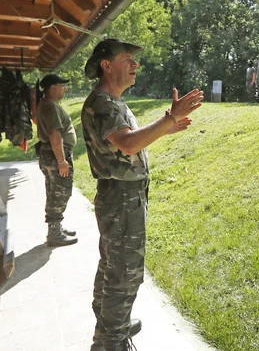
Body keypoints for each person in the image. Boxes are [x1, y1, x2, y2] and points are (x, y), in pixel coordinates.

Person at [81, 38, 203, 351]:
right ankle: (112, 341)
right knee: (125, 272)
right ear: (107, 66)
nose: (135, 65)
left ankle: (111, 324)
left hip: (123, 197)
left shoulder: (112, 101)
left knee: (113, 265)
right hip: (120, 198)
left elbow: (129, 142)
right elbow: (129, 144)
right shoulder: (102, 103)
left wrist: (166, 127)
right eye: (127, 59)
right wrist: (168, 118)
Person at [35, 74, 78, 247]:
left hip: (48, 154)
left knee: (54, 191)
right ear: (52, 88)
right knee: (60, 192)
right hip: (55, 156)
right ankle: (54, 233)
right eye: (62, 85)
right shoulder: (50, 106)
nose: (65, 88)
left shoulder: (46, 104)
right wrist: (61, 161)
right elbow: (55, 134)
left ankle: (56, 227)